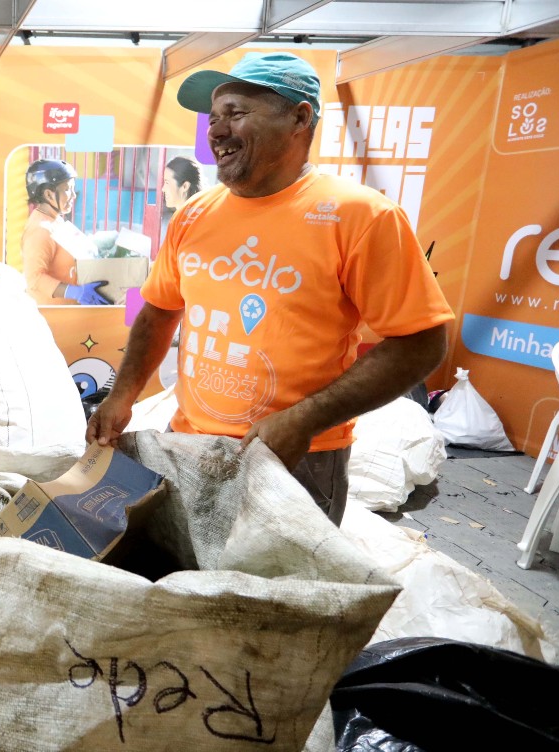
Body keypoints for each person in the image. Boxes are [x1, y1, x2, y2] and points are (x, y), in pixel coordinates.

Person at [86, 52, 453, 525]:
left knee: (279, 595)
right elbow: (159, 310)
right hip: (189, 443)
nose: (215, 132)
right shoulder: (196, 214)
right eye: (213, 119)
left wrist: (304, 419)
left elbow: (422, 341)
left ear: (300, 117)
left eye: (235, 114)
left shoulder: (362, 216)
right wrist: (122, 396)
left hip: (298, 456)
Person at [20, 159, 108, 306]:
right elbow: (34, 278)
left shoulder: (55, 220)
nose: (74, 195)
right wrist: (76, 292)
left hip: (70, 312)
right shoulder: (40, 230)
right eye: (68, 189)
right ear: (48, 195)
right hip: (53, 318)